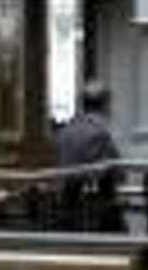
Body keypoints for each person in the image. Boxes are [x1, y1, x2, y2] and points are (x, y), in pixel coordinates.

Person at [53, 80, 125, 231]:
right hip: (92, 216)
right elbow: (118, 175)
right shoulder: (99, 134)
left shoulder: (64, 132)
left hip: (66, 211)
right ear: (105, 104)